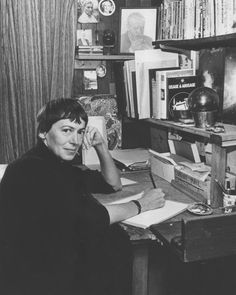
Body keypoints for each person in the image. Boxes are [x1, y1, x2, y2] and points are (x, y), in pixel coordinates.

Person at [0, 98, 165, 295]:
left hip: (45, 266)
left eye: (80, 132)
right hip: (34, 279)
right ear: (43, 132)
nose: (75, 141)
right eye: (66, 130)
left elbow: (113, 184)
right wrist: (142, 204)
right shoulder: (32, 168)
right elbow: (93, 217)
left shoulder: (55, 163)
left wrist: (101, 146)